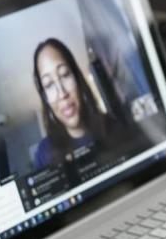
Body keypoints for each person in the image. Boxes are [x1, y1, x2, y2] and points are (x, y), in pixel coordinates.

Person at [30, 38, 118, 169]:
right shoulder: (44, 154)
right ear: (45, 98)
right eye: (49, 85)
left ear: (77, 78)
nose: (62, 93)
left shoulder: (112, 125)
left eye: (65, 75)